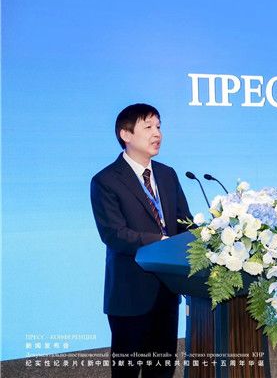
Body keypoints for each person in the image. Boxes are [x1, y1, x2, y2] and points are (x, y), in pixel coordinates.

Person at [90, 103, 193, 377]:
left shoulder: (167, 174)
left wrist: (207, 238)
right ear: (125, 134)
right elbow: (114, 234)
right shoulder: (106, 180)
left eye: (158, 126)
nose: (157, 133)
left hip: (167, 290)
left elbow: (185, 223)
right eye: (148, 127)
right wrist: (162, 240)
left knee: (161, 370)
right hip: (130, 294)